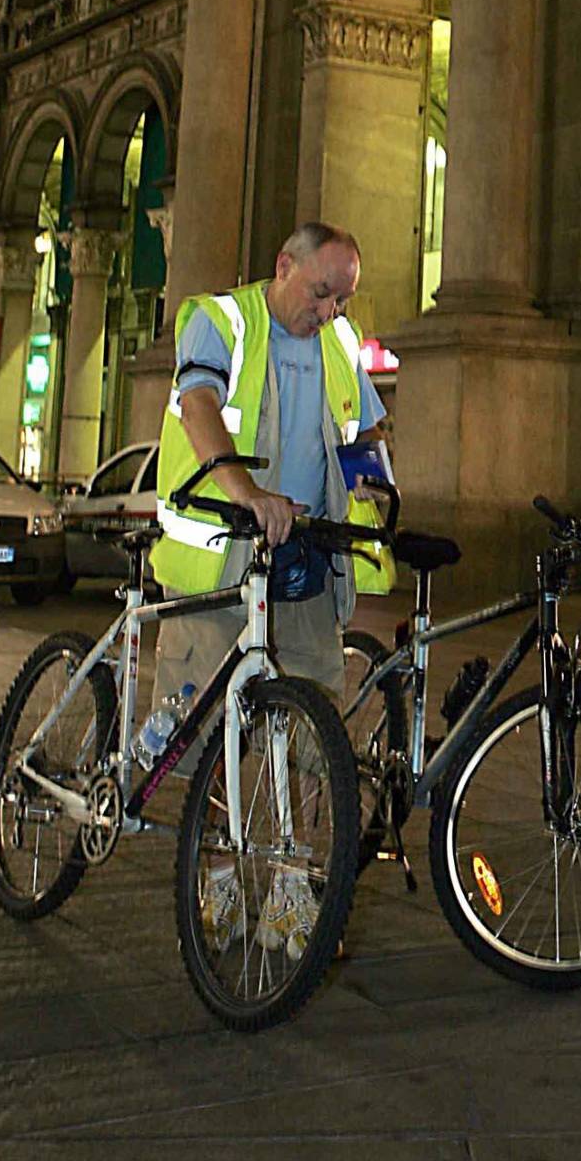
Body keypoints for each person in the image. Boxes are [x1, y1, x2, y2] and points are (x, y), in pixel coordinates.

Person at [151, 221, 388, 953]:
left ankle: (294, 888)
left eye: (343, 298)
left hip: (306, 567)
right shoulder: (221, 319)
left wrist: (379, 495)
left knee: (317, 735)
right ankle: (218, 879)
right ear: (283, 264)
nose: (331, 310)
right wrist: (245, 491)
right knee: (213, 733)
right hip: (224, 567)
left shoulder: (342, 344)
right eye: (322, 292)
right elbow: (197, 406)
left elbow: (361, 438)